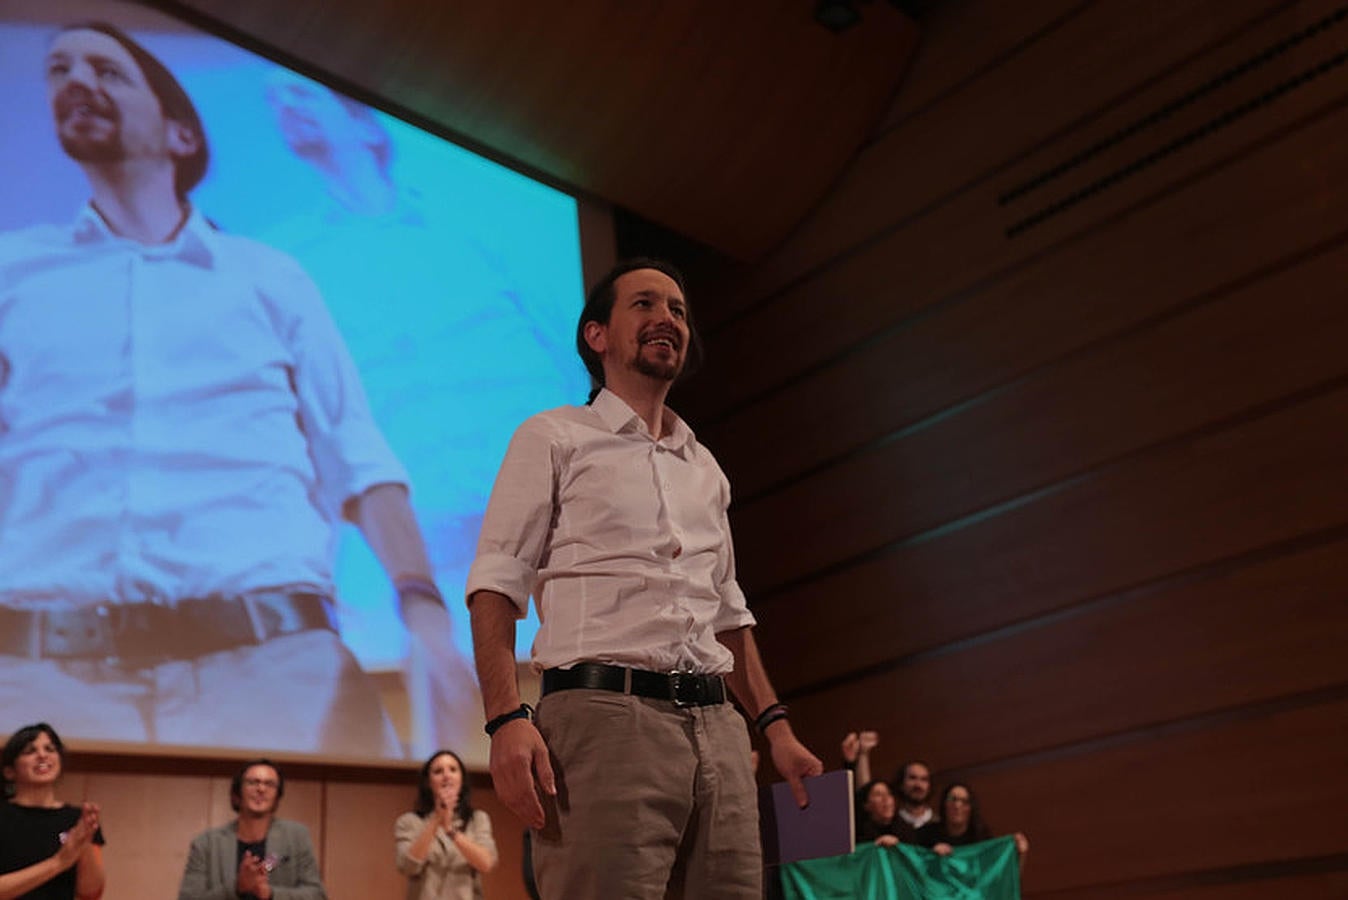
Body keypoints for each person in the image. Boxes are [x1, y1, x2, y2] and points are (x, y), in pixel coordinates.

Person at [0, 21, 464, 758]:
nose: (74, 80)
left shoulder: (269, 275)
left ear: (182, 135)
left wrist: (424, 611)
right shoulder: (12, 272)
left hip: (276, 671)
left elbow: (358, 454)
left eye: (107, 70)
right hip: (39, 680)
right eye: (59, 69)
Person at [467, 258, 824, 899]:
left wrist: (776, 729)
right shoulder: (553, 436)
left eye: (678, 311)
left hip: (720, 733)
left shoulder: (706, 467)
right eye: (645, 305)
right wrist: (503, 721)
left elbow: (728, 614)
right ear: (596, 336)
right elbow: (496, 582)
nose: (667, 318)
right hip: (603, 721)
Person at [177, 759, 324, 900]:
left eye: (269, 784)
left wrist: (270, 893)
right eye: (253, 782)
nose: (261, 789)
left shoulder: (296, 837)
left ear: (277, 796)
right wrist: (237, 888)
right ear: (237, 792)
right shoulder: (207, 843)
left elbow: (317, 896)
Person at [0, 724, 104, 900]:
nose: (42, 755)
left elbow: (90, 893)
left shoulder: (78, 819)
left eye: (50, 749)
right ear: (9, 771)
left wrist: (84, 843)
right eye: (29, 751)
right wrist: (58, 862)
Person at [394, 750, 497, 900]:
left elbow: (486, 863)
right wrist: (436, 819)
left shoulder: (478, 819)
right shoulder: (408, 822)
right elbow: (409, 866)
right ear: (428, 782)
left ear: (462, 780)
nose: (446, 776)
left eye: (453, 769)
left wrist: (450, 830)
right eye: (438, 771)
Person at [914, 782, 1029, 859]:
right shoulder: (925, 835)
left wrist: (1020, 854)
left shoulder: (982, 837)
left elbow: (999, 878)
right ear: (944, 805)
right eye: (952, 799)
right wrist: (930, 856)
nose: (957, 805)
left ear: (971, 808)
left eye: (964, 801)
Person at [891, 760, 935, 843]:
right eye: (912, 778)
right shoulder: (891, 823)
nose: (918, 785)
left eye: (924, 779)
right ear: (901, 784)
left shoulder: (940, 823)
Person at [853, 779, 901, 848]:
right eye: (878, 794)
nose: (886, 798)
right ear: (866, 805)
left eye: (889, 793)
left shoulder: (906, 831)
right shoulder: (857, 834)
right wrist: (874, 846)